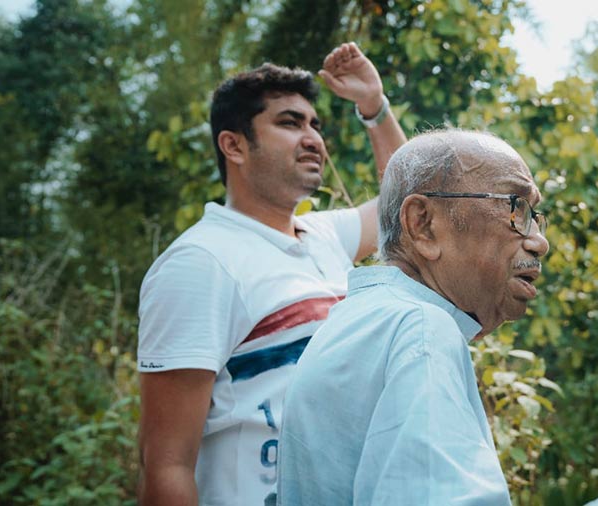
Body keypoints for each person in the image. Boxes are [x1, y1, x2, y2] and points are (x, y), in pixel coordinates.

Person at [136, 42, 407, 506]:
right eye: (289, 123)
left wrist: (373, 107)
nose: (313, 138)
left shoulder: (324, 235)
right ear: (234, 145)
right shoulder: (201, 263)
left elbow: (404, 200)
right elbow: (166, 466)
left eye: (314, 125)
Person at [276, 130, 550, 505]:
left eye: (535, 216)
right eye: (515, 207)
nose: (539, 241)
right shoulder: (420, 329)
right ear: (423, 224)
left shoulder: (356, 320)